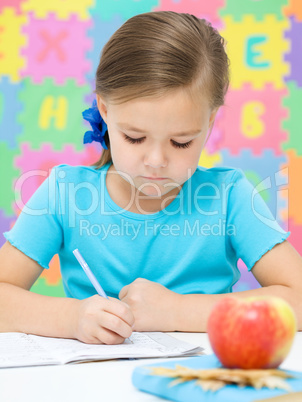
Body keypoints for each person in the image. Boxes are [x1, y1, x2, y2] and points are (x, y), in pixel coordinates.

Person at [0, 12, 302, 345]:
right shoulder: (64, 194)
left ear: (210, 120)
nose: (156, 162)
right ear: (104, 109)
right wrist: (71, 319)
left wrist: (180, 311)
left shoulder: (229, 197)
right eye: (134, 137)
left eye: (181, 142)